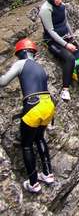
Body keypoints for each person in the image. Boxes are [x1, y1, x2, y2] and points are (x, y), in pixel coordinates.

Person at [0, 38, 55, 194]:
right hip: (48, 105)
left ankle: (33, 183)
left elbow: (3, 81)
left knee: (26, 145)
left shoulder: (21, 63)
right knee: (39, 138)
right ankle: (48, 174)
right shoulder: (40, 67)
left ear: (21, 52)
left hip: (34, 106)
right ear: (32, 52)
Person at [39, 0, 77, 101]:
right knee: (69, 58)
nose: (60, 1)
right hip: (52, 41)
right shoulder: (46, 9)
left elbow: (65, 23)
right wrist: (66, 45)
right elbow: (50, 31)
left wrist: (72, 37)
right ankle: (65, 90)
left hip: (65, 37)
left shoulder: (62, 6)